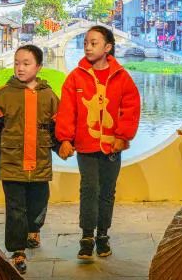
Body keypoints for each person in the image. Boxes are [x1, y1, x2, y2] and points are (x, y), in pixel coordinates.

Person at [0, 44, 60, 274]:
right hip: (11, 163)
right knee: (15, 208)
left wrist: (64, 146)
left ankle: (34, 229)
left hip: (39, 163)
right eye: (17, 63)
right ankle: (17, 250)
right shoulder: (3, 95)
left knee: (39, 202)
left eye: (26, 63)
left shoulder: (49, 96)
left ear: (38, 67)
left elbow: (57, 128)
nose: (20, 68)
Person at [55, 25, 141, 260]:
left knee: (107, 191)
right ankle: (87, 236)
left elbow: (131, 109)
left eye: (94, 43)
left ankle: (103, 234)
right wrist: (65, 139)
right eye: (85, 43)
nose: (88, 47)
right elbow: (67, 110)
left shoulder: (122, 77)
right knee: (89, 189)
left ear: (108, 47)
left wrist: (122, 136)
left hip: (112, 146)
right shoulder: (75, 77)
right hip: (86, 146)